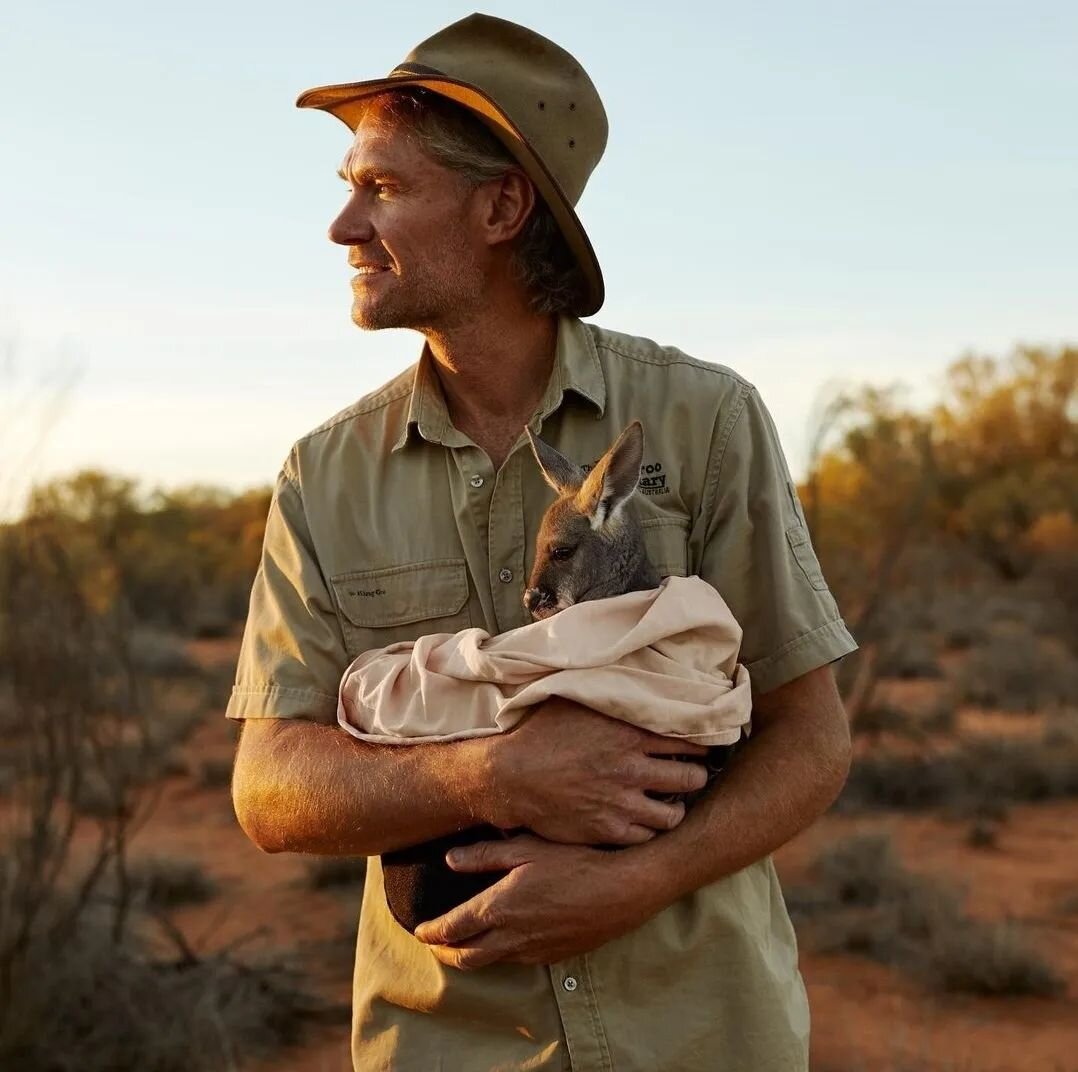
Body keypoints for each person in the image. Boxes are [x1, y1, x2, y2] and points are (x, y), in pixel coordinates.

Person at [228, 13, 857, 1071]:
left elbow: (811, 737)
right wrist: (491, 774)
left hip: (699, 1033)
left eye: (382, 187)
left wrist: (641, 879)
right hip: (447, 1042)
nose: (342, 226)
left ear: (501, 206)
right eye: (348, 186)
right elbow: (269, 787)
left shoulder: (702, 418)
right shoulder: (324, 475)